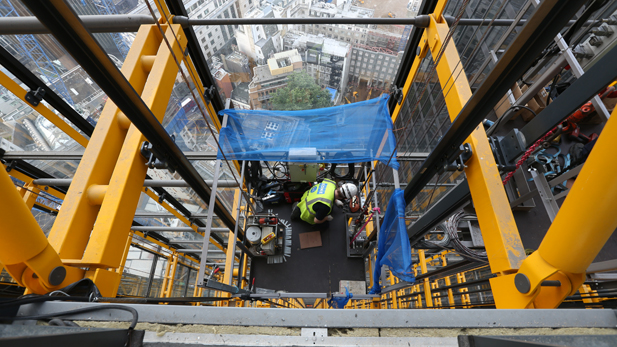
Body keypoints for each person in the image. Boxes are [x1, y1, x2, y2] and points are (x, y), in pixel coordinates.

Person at [291, 179, 358, 225]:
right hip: (306, 211)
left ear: (341, 186)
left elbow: (327, 192)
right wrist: (326, 218)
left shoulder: (332, 183)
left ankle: (299, 205)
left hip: (307, 197)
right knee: (325, 225)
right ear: (345, 198)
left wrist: (336, 200)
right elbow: (316, 220)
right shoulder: (325, 206)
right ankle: (299, 212)